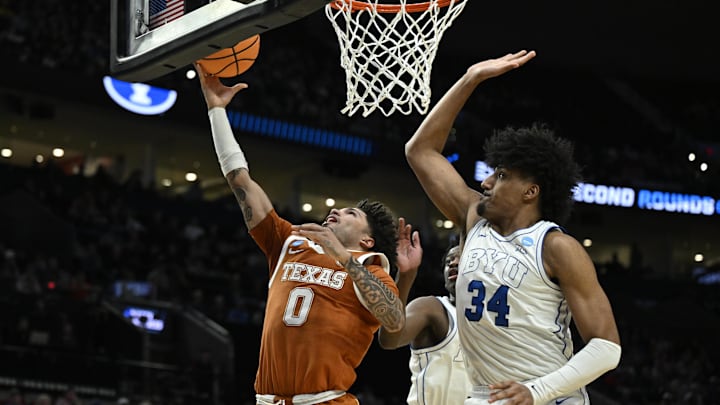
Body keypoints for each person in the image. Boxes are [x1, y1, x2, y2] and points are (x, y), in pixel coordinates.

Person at [404, 50, 621, 405]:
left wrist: (536, 391)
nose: (487, 182)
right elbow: (420, 151)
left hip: (548, 398)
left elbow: (607, 348)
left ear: (530, 192)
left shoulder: (555, 247)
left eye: (501, 175)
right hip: (486, 396)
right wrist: (470, 78)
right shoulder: (473, 217)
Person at [195, 63, 406, 405]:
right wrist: (217, 111)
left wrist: (343, 259)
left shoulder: (371, 269)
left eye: (351, 213)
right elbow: (240, 180)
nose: (336, 210)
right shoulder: (289, 241)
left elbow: (395, 321)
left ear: (367, 241)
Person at [377, 221, 472, 405]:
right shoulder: (432, 308)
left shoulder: (492, 320)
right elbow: (389, 340)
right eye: (448, 261)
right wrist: (406, 276)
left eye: (462, 257)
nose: (453, 263)